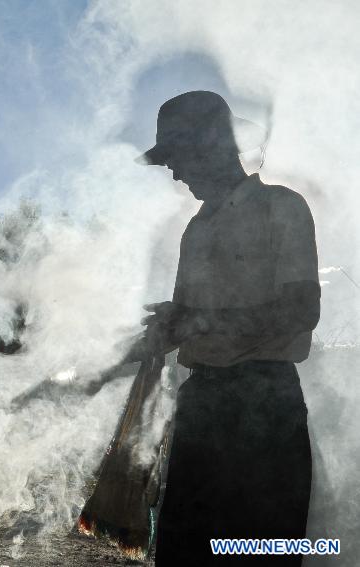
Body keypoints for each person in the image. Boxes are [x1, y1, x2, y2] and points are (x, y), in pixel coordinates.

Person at [137, 91, 318, 565]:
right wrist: (162, 333)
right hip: (201, 408)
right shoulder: (194, 232)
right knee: (184, 554)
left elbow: (301, 310)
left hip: (266, 408)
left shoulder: (282, 207)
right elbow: (186, 323)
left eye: (177, 156)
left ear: (213, 144)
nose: (175, 172)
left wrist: (198, 320)